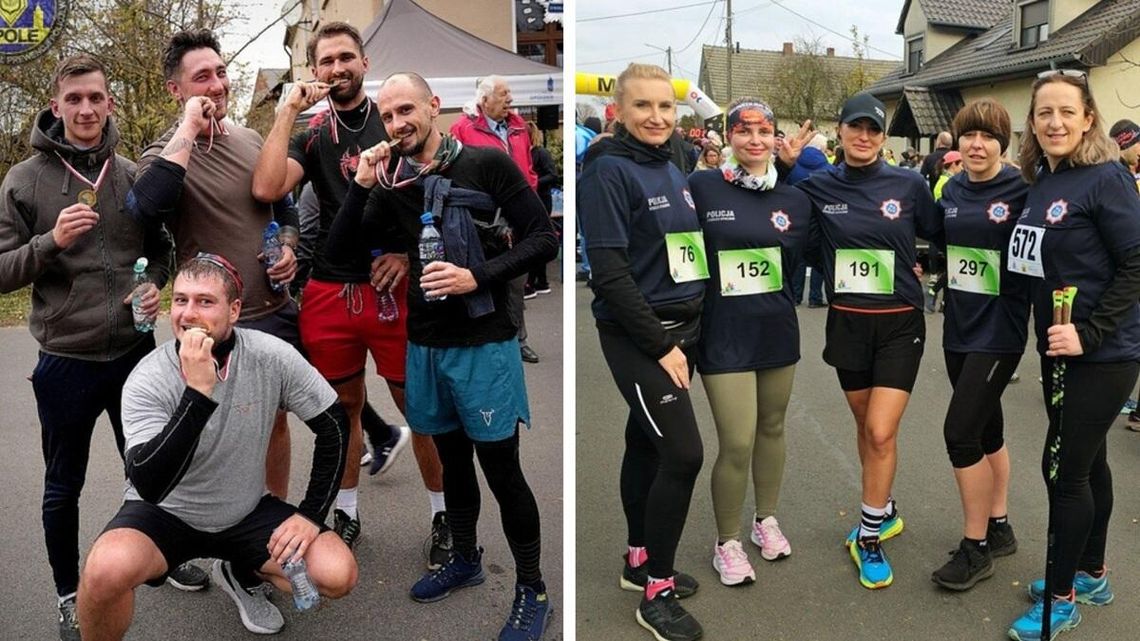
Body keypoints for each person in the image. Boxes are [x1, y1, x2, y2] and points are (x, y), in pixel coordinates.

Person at [327, 71, 558, 641]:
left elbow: (543, 240)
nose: (398, 123)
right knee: (453, 464)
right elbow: (338, 253)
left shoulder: (487, 163)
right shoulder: (393, 181)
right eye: (388, 116)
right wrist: (361, 183)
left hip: (484, 344)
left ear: (434, 105)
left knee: (502, 471)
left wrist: (474, 275)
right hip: (426, 344)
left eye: (407, 109)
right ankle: (466, 558)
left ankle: (533, 590)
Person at [0, 54, 185, 641]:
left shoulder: (132, 174)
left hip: (135, 354)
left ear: (109, 103)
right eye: (73, 98)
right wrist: (49, 242)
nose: (85, 108)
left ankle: (159, 562)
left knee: (151, 470)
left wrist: (154, 284)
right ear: (56, 106)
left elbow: (163, 250)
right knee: (64, 484)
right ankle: (66, 592)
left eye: (95, 98)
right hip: (67, 362)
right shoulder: (25, 180)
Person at [75, 255, 356, 640]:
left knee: (338, 574)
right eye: (181, 300)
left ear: (234, 310)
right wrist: (198, 394)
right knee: (104, 571)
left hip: (244, 510)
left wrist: (309, 515)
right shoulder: (148, 377)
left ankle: (239, 571)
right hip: (165, 515)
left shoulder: (270, 355)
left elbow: (334, 426)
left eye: (205, 302)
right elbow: (149, 483)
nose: (189, 314)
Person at [250, 21, 448, 560]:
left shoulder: (395, 117)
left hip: (393, 288)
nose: (337, 68)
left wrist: (408, 254)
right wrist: (287, 109)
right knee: (343, 412)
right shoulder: (311, 133)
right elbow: (266, 187)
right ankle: (348, 514)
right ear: (314, 71)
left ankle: (443, 517)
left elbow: (436, 198)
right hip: (330, 291)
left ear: (364, 62)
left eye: (346, 57)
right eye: (326, 61)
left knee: (419, 410)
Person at [128, 29, 301, 510]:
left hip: (274, 309)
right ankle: (208, 525)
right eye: (201, 77)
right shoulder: (165, 151)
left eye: (221, 73)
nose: (218, 85)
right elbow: (146, 207)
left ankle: (269, 527)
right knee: (210, 426)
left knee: (274, 422)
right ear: (176, 90)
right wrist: (187, 127)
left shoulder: (249, 139)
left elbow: (285, 211)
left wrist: (288, 246)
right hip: (213, 321)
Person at [1005, 69, 1140, 641]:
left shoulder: (1106, 178)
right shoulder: (1042, 180)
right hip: (1056, 345)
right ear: (1032, 124)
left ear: (1088, 118)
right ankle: (1091, 573)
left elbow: (1137, 262)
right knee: (1091, 464)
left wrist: (1090, 331)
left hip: (1103, 353)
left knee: (1062, 472)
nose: (1054, 122)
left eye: (1066, 111)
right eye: (1043, 113)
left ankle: (1060, 599)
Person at [578, 62, 706, 641]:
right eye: (643, 107)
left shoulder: (675, 162)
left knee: (646, 445)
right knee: (683, 454)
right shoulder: (607, 172)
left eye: (666, 107)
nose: (657, 117)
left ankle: (638, 561)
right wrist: (661, 346)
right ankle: (656, 592)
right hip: (641, 337)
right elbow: (608, 273)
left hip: (685, 330)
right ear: (619, 113)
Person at [797, 92, 940, 590]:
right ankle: (884, 506)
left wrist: (930, 267)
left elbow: (938, 231)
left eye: (874, 130)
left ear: (883, 137)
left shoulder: (909, 182)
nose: (864, 136)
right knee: (865, 424)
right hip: (848, 323)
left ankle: (870, 535)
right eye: (855, 127)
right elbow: (803, 238)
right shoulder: (817, 185)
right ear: (839, 131)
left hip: (901, 322)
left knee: (880, 431)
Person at [688, 98, 811, 587]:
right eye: (744, 131)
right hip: (723, 333)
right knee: (736, 440)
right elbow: (679, 252)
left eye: (764, 131)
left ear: (776, 138)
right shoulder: (701, 186)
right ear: (729, 137)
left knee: (773, 427)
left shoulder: (795, 198)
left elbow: (813, 255)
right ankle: (727, 541)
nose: (755, 140)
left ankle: (766, 520)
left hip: (776, 329)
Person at [927, 98, 1029, 592]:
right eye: (969, 134)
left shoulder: (1023, 189)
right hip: (959, 329)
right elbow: (935, 244)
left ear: (1003, 144)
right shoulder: (950, 189)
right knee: (988, 432)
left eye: (989, 136)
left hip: (1000, 331)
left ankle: (977, 547)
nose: (977, 143)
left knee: (960, 433)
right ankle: (1001, 524)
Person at [450, 75, 540, 364]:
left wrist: (531, 193)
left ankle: (519, 340)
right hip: (481, 220)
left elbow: (528, 166)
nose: (510, 99)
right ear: (484, 101)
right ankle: (484, 339)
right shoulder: (461, 129)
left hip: (517, 214)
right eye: (503, 94)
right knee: (481, 277)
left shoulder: (518, 127)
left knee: (517, 280)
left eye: (510, 92)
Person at [525, 119, 558, 298]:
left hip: (542, 200)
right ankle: (540, 281)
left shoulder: (541, 153)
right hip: (533, 200)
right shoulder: (525, 154)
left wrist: (534, 183)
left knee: (537, 239)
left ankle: (536, 281)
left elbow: (553, 175)